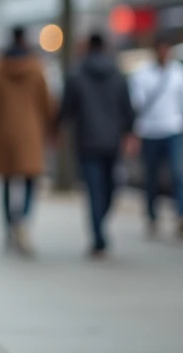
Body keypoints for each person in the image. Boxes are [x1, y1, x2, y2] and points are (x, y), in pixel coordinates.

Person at [0, 27, 54, 256]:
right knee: (30, 180)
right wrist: (52, 128)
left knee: (7, 182)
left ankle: (9, 226)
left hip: (3, 133)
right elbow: (47, 104)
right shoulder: (37, 70)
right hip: (31, 133)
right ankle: (23, 220)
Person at [56, 32, 136, 259]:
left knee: (94, 191)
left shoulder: (76, 75)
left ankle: (98, 234)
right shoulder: (118, 75)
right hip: (112, 142)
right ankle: (100, 230)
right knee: (110, 188)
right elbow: (127, 107)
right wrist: (129, 132)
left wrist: (57, 130)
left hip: (87, 141)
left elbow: (66, 109)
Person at [129, 34, 183, 239]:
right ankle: (152, 216)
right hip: (149, 130)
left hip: (173, 129)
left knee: (179, 174)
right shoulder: (142, 74)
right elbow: (137, 103)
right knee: (151, 177)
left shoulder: (180, 73)